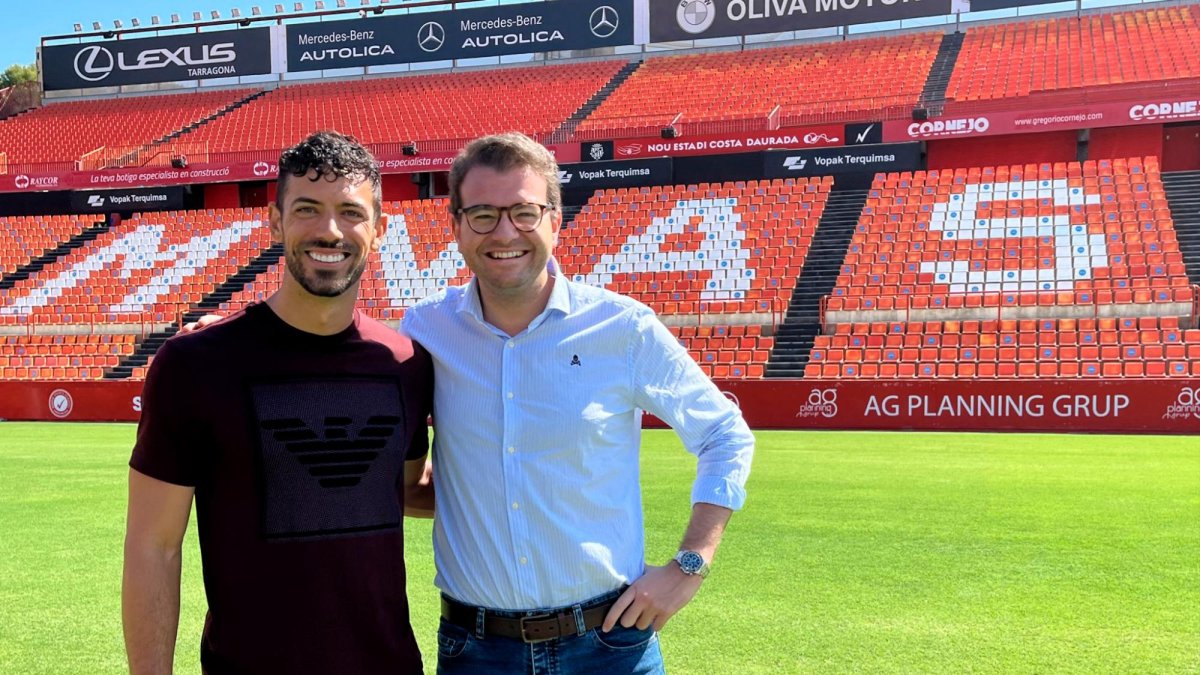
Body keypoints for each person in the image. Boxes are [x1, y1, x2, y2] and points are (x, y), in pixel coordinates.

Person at [401, 132, 755, 674]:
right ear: (455, 227)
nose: (504, 232)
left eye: (524, 212)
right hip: (476, 650)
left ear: (555, 221)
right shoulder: (424, 329)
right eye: (482, 215)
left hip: (609, 646)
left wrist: (690, 564)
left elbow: (724, 434)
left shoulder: (623, 327)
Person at [122, 131, 433, 675]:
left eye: (350, 212)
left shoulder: (406, 363)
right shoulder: (194, 364)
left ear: (378, 229)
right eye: (307, 209)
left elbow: (406, 490)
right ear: (275, 221)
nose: (329, 230)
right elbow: (154, 547)